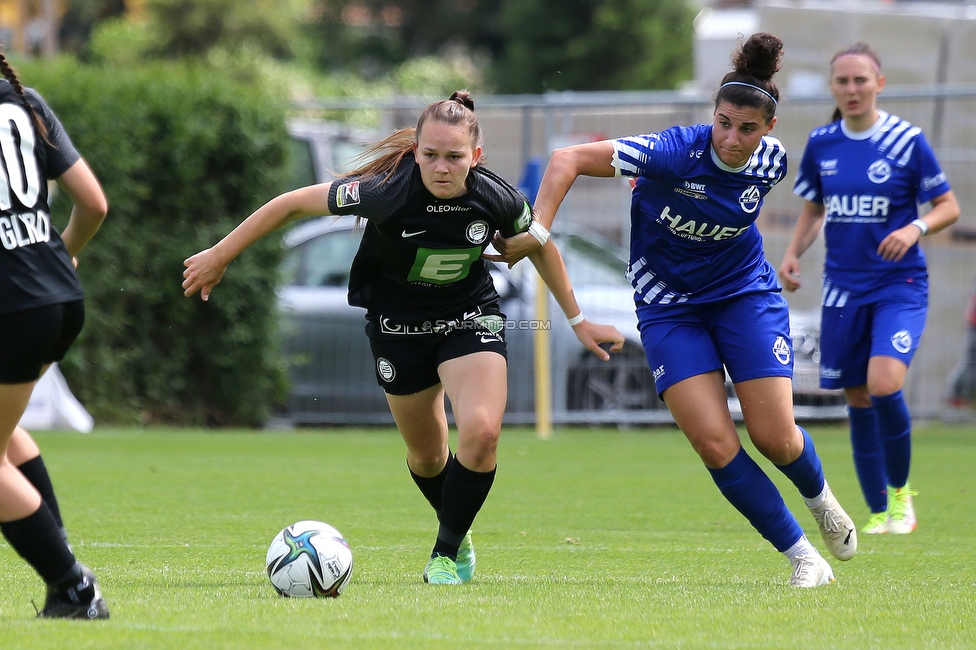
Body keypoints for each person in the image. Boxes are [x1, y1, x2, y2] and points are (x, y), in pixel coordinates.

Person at [182, 91, 625, 585]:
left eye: (455, 157)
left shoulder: (495, 197)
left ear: (475, 158)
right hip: (398, 329)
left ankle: (446, 552)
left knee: (481, 433)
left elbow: (540, 247)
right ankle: (458, 524)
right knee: (429, 455)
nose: (441, 167)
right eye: (430, 154)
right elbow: (291, 205)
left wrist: (577, 319)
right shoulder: (385, 192)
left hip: (469, 317)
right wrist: (221, 254)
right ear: (415, 151)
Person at [489, 33, 858, 588]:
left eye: (747, 129)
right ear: (713, 115)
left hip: (744, 297)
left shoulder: (773, 164)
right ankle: (804, 557)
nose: (732, 138)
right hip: (669, 308)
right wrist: (539, 228)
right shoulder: (672, 151)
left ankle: (821, 499)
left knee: (775, 437)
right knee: (714, 442)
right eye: (724, 123)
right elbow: (567, 158)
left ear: (769, 130)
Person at [778, 43, 960, 536]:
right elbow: (815, 208)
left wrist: (915, 228)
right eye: (843, 81)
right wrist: (793, 252)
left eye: (861, 80)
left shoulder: (907, 141)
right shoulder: (822, 143)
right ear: (833, 87)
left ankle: (902, 499)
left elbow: (948, 206)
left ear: (879, 83)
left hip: (899, 285)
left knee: (883, 385)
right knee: (856, 398)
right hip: (842, 289)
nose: (852, 89)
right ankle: (879, 513)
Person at [0, 49, 110, 618]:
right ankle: (58, 553)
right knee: (4, 435)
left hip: (13, 306)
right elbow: (93, 204)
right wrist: (56, 261)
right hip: (58, 297)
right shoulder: (24, 102)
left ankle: (72, 585)